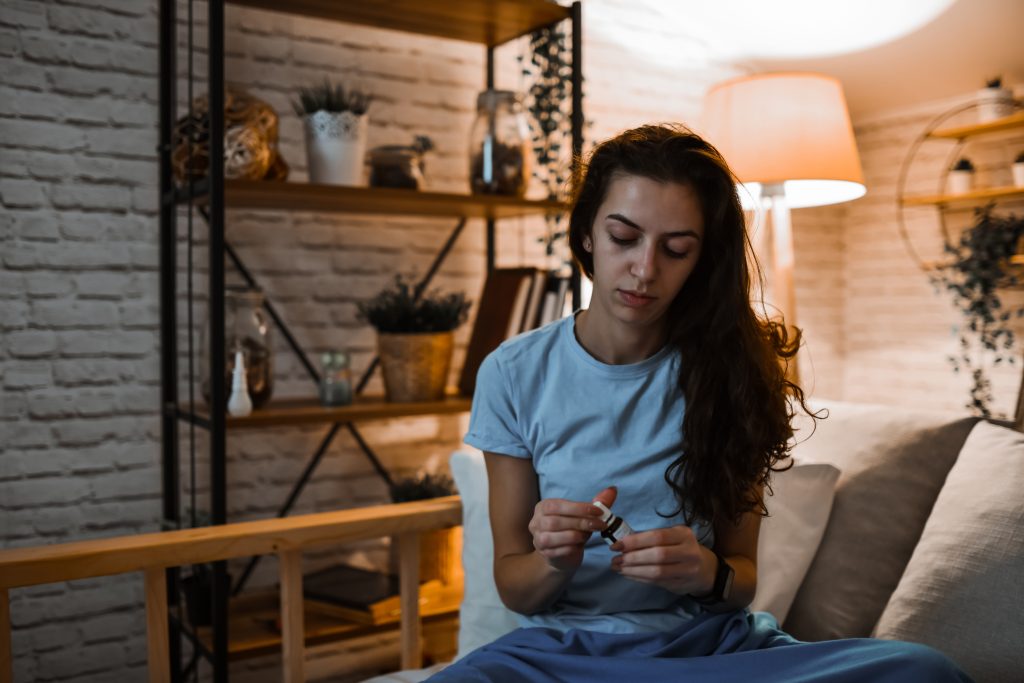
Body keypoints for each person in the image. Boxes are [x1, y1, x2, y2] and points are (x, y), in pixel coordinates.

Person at [426, 124, 971, 682]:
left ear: (701, 259)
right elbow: (515, 587)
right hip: (563, 656)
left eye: (676, 249)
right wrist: (553, 561)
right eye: (624, 238)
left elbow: (742, 578)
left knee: (923, 670)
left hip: (708, 650)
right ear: (587, 234)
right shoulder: (514, 373)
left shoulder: (734, 373)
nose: (645, 269)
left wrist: (705, 573)